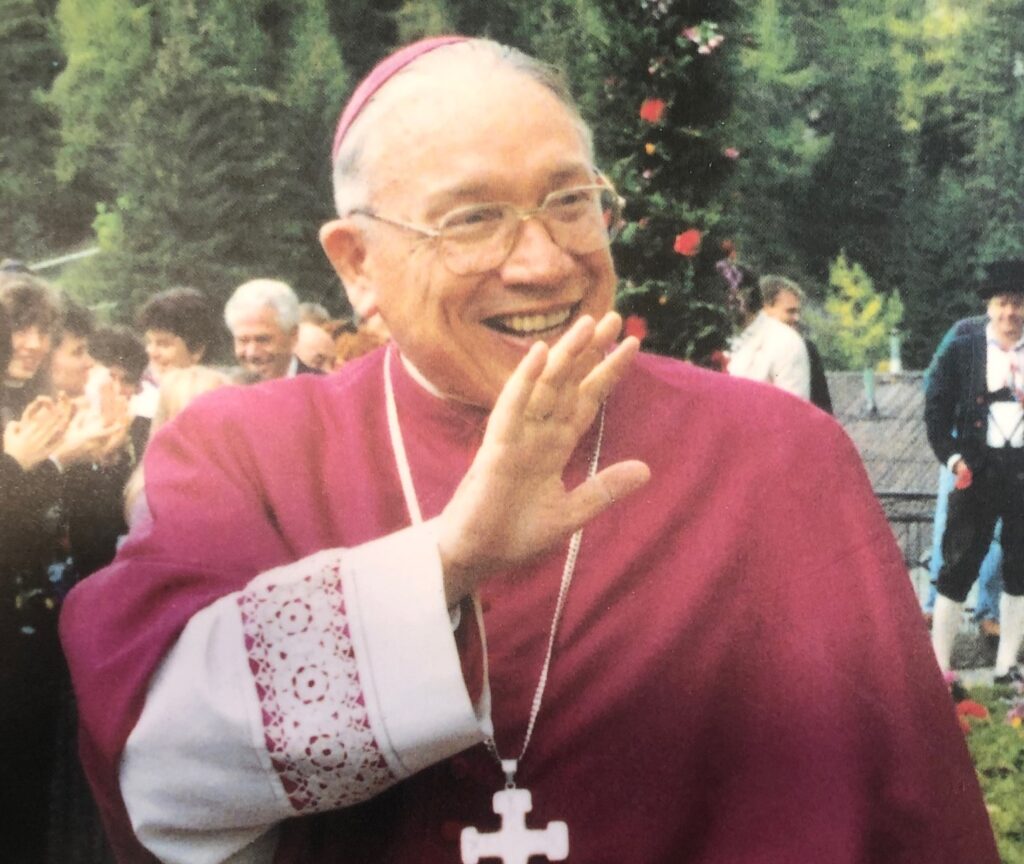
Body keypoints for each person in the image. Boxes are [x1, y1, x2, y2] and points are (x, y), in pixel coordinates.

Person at [62, 37, 996, 864]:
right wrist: (446, 561)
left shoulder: (777, 455)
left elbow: (913, 817)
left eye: (571, 201)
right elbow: (160, 768)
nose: (544, 262)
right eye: (473, 218)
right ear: (357, 263)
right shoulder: (242, 454)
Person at [926, 259, 1024, 684]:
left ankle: (1006, 668)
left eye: (1018, 303)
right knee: (958, 566)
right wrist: (953, 459)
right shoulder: (962, 350)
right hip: (976, 473)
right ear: (989, 306)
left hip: (1021, 476)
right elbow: (935, 412)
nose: (1010, 312)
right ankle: (939, 671)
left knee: (1019, 571)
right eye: (1002, 303)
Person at [922, 315, 1002, 638]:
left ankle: (989, 611)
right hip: (964, 441)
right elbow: (932, 382)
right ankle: (933, 605)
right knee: (949, 521)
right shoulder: (964, 331)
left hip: (1008, 446)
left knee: (1000, 532)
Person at [725, 265, 811, 400]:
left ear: (746, 296)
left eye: (729, 294)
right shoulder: (709, 338)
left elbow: (794, 407)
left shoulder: (786, 342)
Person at [759, 274, 833, 413]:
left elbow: (823, 410)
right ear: (765, 309)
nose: (797, 318)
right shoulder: (741, 350)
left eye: (797, 311)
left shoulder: (806, 349)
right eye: (790, 311)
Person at [224, 279, 318, 380]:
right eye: (243, 340)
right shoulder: (226, 386)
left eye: (262, 340)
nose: (252, 353)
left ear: (293, 336)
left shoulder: (323, 387)